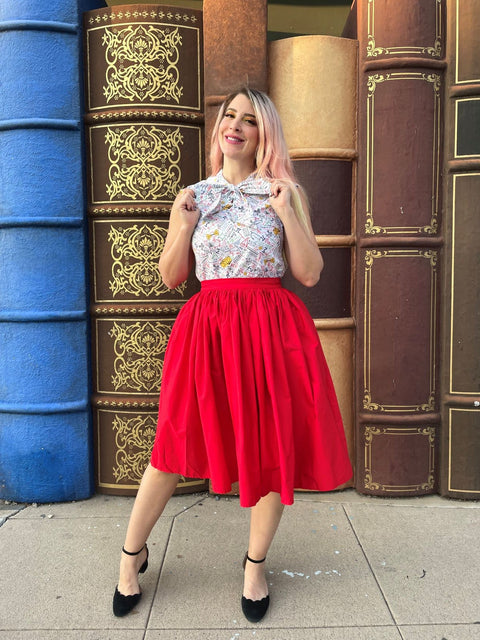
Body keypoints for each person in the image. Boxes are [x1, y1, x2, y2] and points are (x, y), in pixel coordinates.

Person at [112, 87, 352, 622]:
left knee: (270, 449)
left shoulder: (284, 192)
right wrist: (183, 224)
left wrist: (286, 213)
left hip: (270, 330)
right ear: (220, 125)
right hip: (208, 331)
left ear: (264, 133)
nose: (235, 126)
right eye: (230, 116)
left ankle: (254, 566)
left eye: (249, 119)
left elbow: (310, 273)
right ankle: (131, 556)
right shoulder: (194, 195)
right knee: (171, 446)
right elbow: (172, 276)